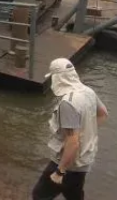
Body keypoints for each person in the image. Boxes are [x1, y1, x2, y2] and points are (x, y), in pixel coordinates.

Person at [32, 58, 108, 200]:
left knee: (39, 195)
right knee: (74, 194)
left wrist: (60, 172)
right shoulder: (88, 91)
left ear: (58, 78)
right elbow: (103, 114)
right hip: (85, 160)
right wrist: (85, 134)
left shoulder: (68, 104)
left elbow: (72, 142)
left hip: (68, 163)